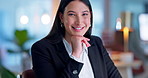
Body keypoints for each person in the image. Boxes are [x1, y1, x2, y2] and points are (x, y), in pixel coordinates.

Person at [31, 0, 122, 78]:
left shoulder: (96, 43)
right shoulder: (42, 49)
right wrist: (76, 55)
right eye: (72, 14)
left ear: (90, 16)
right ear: (61, 17)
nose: (79, 22)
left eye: (84, 14)